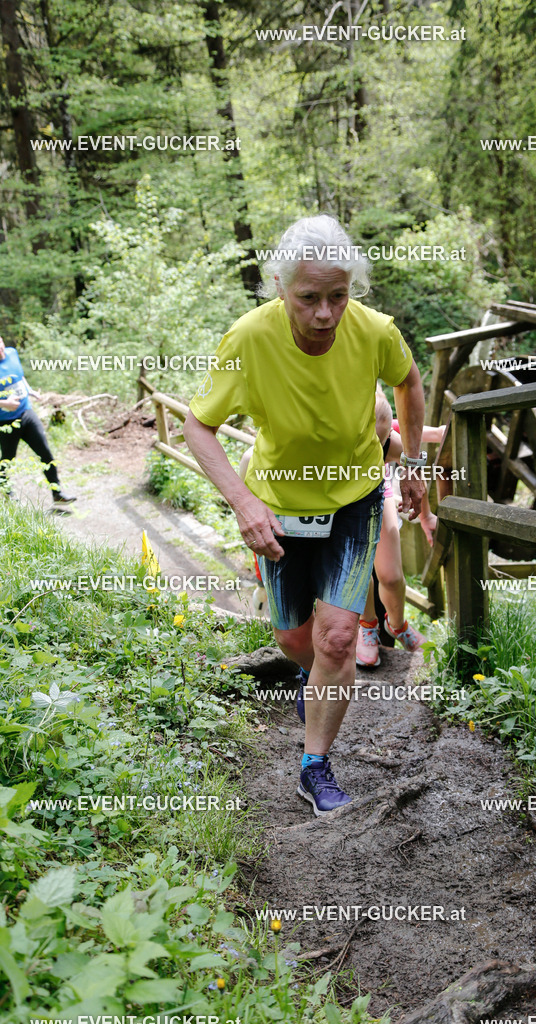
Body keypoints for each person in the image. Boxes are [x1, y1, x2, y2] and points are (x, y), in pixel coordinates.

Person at [184, 214, 426, 816]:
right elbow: (198, 425)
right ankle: (313, 681)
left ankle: (314, 765)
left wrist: (414, 463)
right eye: (309, 298)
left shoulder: (374, 331)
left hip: (354, 498)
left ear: (352, 290)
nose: (325, 313)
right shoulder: (248, 339)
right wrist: (243, 502)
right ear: (280, 288)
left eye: (337, 296)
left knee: (338, 638)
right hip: (279, 506)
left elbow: (409, 383)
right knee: (295, 638)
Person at [356, 390, 444, 667]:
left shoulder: (388, 437)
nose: (382, 446)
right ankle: (367, 627)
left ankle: (398, 624)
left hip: (378, 498)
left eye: (385, 440)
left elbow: (415, 473)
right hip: (342, 505)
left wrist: (427, 516)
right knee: (360, 573)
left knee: (392, 577)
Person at [0, 336, 75, 505]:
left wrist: (30, 390)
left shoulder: (12, 353)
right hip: (5, 422)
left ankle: (57, 493)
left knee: (45, 452)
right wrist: (5, 403)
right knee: (7, 458)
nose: (0, 349)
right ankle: (5, 490)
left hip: (26, 413)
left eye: (0, 343)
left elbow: (20, 376)